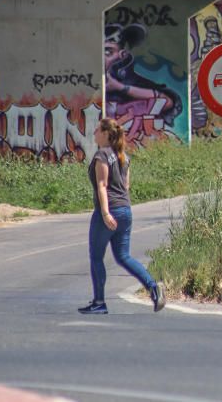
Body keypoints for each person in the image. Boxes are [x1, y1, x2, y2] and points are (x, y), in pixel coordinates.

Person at [78, 118, 166, 315]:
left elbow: (102, 185)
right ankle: (153, 287)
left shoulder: (102, 155)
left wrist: (105, 212)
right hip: (126, 210)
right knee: (123, 256)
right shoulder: (123, 156)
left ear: (106, 134)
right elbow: (126, 186)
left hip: (109, 211)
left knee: (96, 257)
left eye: (97, 131)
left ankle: (99, 302)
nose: (94, 134)